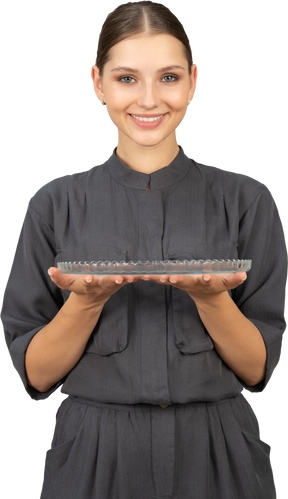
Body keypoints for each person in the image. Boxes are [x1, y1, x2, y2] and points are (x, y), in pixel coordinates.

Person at [1, 1, 287, 498]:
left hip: (219, 453)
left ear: (195, 81)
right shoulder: (52, 202)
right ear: (97, 82)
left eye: (169, 77)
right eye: (128, 78)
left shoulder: (250, 199)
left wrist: (211, 298)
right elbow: (36, 373)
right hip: (92, 455)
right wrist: (85, 303)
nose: (150, 99)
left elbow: (257, 367)